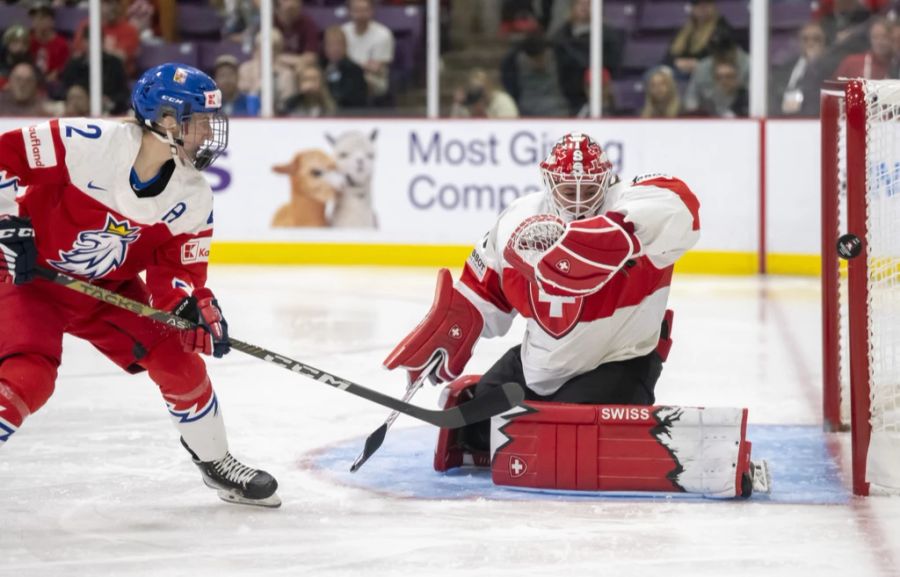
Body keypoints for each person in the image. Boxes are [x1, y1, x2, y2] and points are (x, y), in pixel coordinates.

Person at [0, 62, 280, 508]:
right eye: (200, 121)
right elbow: (4, 157)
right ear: (166, 121)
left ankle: (217, 462)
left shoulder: (192, 195)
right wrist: (6, 220)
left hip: (106, 292)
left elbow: (178, 275)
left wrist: (189, 307)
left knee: (179, 360)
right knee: (27, 376)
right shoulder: (87, 144)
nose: (209, 132)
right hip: (30, 278)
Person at [384, 132, 701, 459]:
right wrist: (453, 329)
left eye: (590, 189)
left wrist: (611, 234)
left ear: (606, 180)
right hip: (536, 365)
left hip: (615, 363)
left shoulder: (629, 198)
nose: (579, 200)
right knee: (477, 432)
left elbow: (679, 205)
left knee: (566, 444)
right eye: (567, 189)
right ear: (548, 182)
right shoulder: (518, 216)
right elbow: (483, 288)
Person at [664, 0, 736, 78]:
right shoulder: (683, 31)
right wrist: (676, 62)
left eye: (706, 3)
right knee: (657, 72)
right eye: (697, 4)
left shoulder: (722, 29)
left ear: (713, 6)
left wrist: (699, 64)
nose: (702, 7)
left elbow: (724, 57)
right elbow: (668, 56)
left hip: (708, 74)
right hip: (680, 71)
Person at [341, 0, 395, 100]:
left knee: (357, 84)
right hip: (345, 78)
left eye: (364, 10)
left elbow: (376, 68)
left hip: (373, 81)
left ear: (372, 11)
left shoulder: (383, 34)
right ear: (349, 11)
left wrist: (352, 65)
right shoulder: (342, 32)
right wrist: (363, 65)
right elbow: (337, 60)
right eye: (356, 10)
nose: (360, 14)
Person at [321, 25, 368, 111]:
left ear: (345, 46)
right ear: (325, 47)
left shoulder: (355, 70)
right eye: (330, 45)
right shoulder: (319, 66)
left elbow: (355, 99)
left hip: (346, 115)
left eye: (338, 44)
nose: (335, 49)